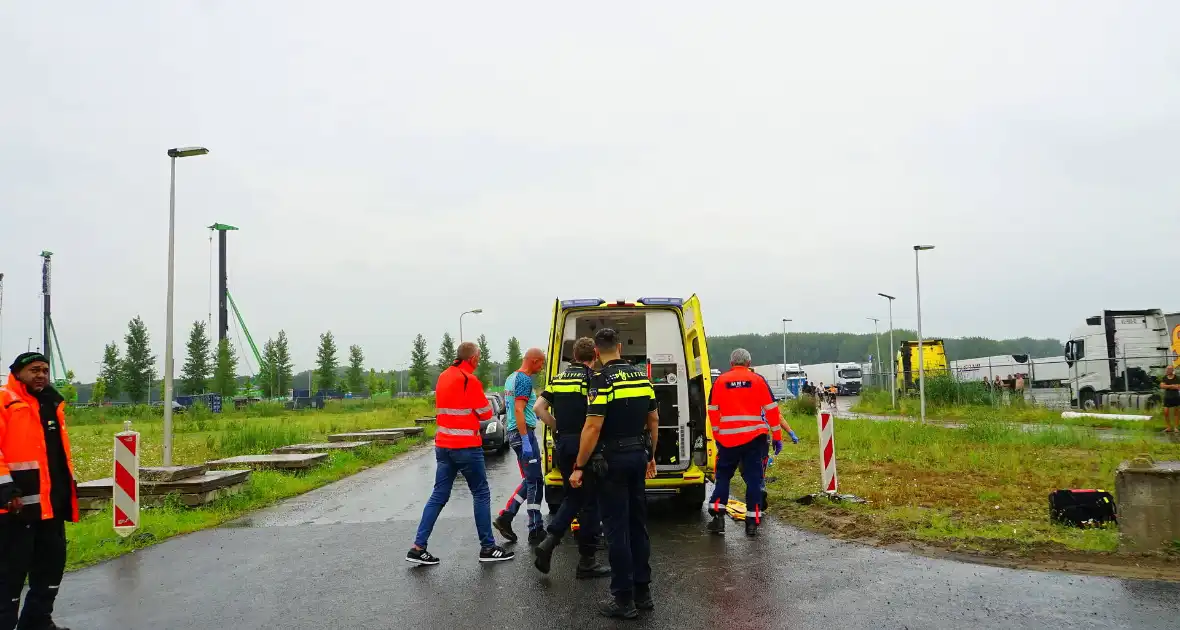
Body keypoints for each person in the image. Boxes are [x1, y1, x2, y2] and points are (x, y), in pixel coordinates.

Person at [570, 328, 658, 619]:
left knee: (617, 530)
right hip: (638, 456)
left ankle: (623, 600)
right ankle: (643, 593)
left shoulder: (600, 380)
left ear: (596, 351)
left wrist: (579, 466)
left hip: (611, 461)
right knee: (638, 527)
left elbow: (593, 426)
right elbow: (654, 418)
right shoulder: (643, 378)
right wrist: (652, 457)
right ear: (619, 347)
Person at [406, 342, 513, 565]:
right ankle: (488, 547)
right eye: (479, 357)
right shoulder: (469, 380)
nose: (479, 360)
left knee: (438, 496)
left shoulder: (443, 376)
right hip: (466, 446)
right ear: (473, 358)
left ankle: (418, 547)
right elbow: (485, 414)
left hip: (443, 446)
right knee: (481, 493)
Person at [1, 352, 78, 630]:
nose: (41, 375)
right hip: (15, 508)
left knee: (50, 568)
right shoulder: (5, 402)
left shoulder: (52, 404)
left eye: (45, 370)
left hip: (51, 505)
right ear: (18, 372)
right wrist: (6, 489)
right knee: (10, 575)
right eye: (34, 370)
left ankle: (37, 622)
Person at [531, 337, 609, 578]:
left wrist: (556, 427)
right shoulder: (591, 379)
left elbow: (538, 408)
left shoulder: (557, 380)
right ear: (594, 355)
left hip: (564, 444)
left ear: (574, 356)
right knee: (590, 502)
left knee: (573, 496)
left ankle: (549, 542)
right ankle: (587, 561)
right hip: (585, 444)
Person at [705, 348, 781, 537]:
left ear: (731, 364)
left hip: (728, 439)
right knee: (755, 479)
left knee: (723, 476)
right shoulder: (758, 380)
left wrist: (717, 435)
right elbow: (772, 410)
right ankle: (752, 524)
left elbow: (713, 410)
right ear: (749, 363)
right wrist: (777, 437)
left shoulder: (720, 381)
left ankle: (718, 518)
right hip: (755, 439)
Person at [493, 347, 547, 546]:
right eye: (541, 362)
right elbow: (518, 408)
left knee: (531, 479)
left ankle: (506, 517)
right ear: (533, 360)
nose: (542, 367)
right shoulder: (524, 379)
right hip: (523, 433)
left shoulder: (510, 378)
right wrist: (525, 440)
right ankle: (535, 528)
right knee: (535, 482)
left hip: (515, 432)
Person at [1161, 366, 1180, 433]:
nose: (1167, 370)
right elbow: (1162, 386)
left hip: (1175, 397)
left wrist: (1168, 386)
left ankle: (1176, 427)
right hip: (1167, 397)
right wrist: (1172, 386)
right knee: (1166, 412)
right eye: (1167, 369)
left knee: (1176, 413)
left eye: (1169, 369)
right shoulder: (1164, 378)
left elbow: (1178, 387)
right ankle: (1168, 427)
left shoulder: (1176, 377)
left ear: (1172, 370)